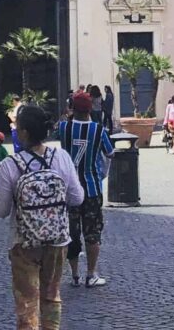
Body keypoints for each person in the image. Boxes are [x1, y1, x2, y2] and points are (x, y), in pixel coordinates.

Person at [0, 102, 84, 329]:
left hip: (23, 242)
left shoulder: (10, 165)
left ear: (24, 132)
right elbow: (77, 198)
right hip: (57, 240)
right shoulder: (61, 157)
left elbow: (1, 210)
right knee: (51, 296)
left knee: (26, 301)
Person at [58, 90, 114, 289]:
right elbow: (109, 153)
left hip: (69, 190)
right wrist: (101, 174)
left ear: (72, 108)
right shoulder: (99, 130)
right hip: (91, 188)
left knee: (71, 232)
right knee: (93, 232)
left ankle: (74, 275)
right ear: (90, 108)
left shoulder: (64, 128)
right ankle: (91, 274)